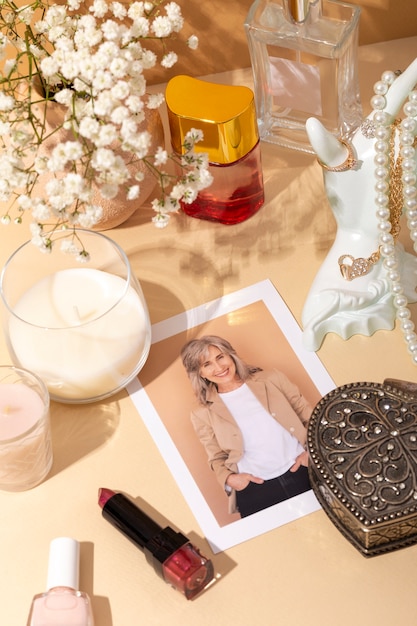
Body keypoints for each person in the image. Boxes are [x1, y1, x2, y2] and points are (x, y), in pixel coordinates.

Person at [181, 335, 313, 518]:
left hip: (304, 471)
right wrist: (230, 479)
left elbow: (310, 418)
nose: (219, 367)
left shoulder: (271, 378)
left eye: (220, 357)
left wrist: (312, 454)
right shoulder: (202, 413)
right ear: (200, 373)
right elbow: (216, 457)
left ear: (231, 355)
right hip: (255, 490)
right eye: (207, 364)